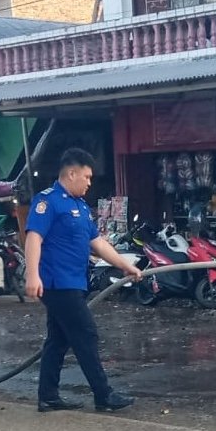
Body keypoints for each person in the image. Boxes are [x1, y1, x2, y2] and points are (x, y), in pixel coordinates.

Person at [25, 148, 143, 413]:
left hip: (74, 282)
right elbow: (34, 238)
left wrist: (126, 266)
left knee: (58, 339)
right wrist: (32, 274)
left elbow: (98, 244)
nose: (90, 183)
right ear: (72, 173)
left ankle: (48, 396)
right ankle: (104, 395)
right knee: (85, 334)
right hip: (57, 283)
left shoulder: (79, 206)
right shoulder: (48, 201)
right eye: (87, 177)